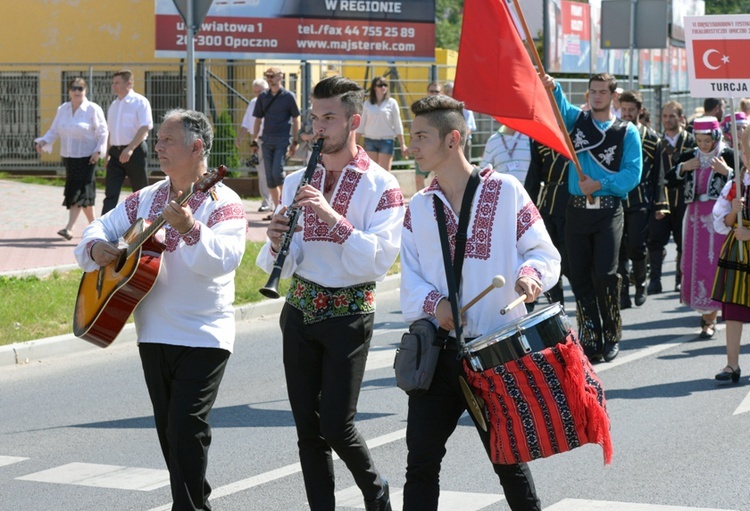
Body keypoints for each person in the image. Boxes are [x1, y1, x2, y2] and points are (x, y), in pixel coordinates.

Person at [74, 109, 247, 510]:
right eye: (160, 139)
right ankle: (195, 502)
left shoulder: (224, 201)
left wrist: (190, 228)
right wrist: (97, 248)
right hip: (152, 331)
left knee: (187, 427)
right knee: (169, 431)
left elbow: (224, 259)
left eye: (168, 140)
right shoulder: (148, 197)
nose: (159, 146)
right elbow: (99, 228)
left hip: (205, 333)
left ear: (197, 147)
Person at [401, 94, 560, 511]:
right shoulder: (417, 207)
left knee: (508, 461)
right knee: (420, 463)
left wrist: (530, 278)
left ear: (453, 139)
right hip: (438, 356)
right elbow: (410, 279)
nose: (410, 146)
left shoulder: (506, 191)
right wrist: (435, 305)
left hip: (497, 352)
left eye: (421, 136)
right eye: (410, 135)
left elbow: (544, 254)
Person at [256, 75, 403, 511]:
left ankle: (375, 492)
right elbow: (293, 252)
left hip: (349, 313)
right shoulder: (301, 175)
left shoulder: (383, 185)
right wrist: (278, 241)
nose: (317, 128)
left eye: (329, 118)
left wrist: (332, 216)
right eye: (315, 118)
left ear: (354, 120)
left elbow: (377, 260)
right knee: (307, 429)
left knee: (337, 426)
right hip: (300, 307)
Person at [541, 72, 642, 362]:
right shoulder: (578, 121)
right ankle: (590, 336)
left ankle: (611, 334)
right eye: (593, 91)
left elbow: (631, 174)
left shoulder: (626, 131)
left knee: (605, 275)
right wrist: (553, 86)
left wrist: (600, 184)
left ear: (613, 96)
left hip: (609, 210)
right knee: (581, 276)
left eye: (602, 92)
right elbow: (558, 108)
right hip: (576, 210)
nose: (597, 96)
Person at [665, 116, 734, 339]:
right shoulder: (689, 156)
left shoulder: (728, 155)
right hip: (694, 217)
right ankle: (705, 316)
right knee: (696, 263)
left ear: (716, 137)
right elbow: (668, 180)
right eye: (700, 140)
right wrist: (683, 168)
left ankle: (712, 317)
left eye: (707, 141)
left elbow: (744, 181)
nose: (703, 145)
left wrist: (728, 173)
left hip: (719, 217)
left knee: (715, 263)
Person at [34, 77, 107, 240]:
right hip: (70, 157)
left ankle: (69, 228)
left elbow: (103, 132)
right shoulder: (63, 109)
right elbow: (54, 130)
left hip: (88, 157)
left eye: (80, 88)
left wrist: (98, 151)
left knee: (80, 191)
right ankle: (95, 228)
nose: (76, 92)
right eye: (73, 88)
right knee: (80, 193)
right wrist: (43, 141)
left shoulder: (92, 109)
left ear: (85, 91)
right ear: (68, 91)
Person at [711, 126, 750, 383]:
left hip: (745, 240)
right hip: (737, 249)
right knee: (734, 309)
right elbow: (719, 221)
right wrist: (735, 212)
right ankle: (732, 364)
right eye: (746, 151)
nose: (748, 156)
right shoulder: (736, 183)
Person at [617, 90, 661, 308]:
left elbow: (658, 176)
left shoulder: (652, 138)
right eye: (623, 109)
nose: (626, 114)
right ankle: (623, 291)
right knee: (618, 249)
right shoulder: (612, 133)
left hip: (640, 199)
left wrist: (660, 205)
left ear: (639, 111)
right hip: (616, 199)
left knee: (636, 245)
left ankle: (641, 283)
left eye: (631, 110)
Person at [647, 101, 696, 295]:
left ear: (681, 118)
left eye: (672, 116)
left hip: (685, 199)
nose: (667, 120)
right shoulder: (657, 142)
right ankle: (655, 280)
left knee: (683, 242)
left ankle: (680, 278)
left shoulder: (691, 141)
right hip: (661, 199)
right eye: (665, 116)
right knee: (655, 240)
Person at [524, 140, 570, 307]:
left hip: (573, 207)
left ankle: (585, 314)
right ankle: (557, 310)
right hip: (547, 207)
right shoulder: (539, 140)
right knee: (549, 260)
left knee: (571, 265)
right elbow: (534, 176)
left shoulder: (578, 133)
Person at [102, 69, 154, 215]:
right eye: (113, 83)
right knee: (110, 193)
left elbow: (145, 127)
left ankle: (145, 226)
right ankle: (105, 230)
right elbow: (110, 132)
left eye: (117, 83)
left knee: (140, 192)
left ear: (129, 83)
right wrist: (107, 154)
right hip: (115, 153)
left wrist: (130, 149)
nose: (114, 86)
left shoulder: (140, 102)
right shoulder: (114, 105)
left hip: (134, 151)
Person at [252, 67, 301, 217]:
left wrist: (295, 140)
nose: (269, 79)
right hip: (266, 140)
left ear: (280, 77)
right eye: (267, 76)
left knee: (277, 173)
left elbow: (296, 118)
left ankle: (287, 206)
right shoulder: (263, 97)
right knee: (270, 177)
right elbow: (258, 119)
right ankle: (277, 210)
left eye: (272, 76)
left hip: (282, 140)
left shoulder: (288, 96)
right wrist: (254, 140)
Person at [357, 76, 408, 171]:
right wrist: (355, 143)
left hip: (387, 141)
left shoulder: (392, 103)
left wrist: (402, 144)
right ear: (374, 87)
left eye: (385, 85)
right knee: (370, 170)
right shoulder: (367, 104)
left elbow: (398, 124)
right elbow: (360, 125)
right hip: (370, 141)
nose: (383, 87)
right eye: (380, 85)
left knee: (385, 171)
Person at [236, 78, 273, 212]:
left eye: (260, 91)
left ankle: (273, 202)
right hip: (256, 142)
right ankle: (267, 202)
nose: (257, 94)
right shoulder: (253, 103)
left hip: (269, 140)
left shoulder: (271, 102)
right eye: (255, 92)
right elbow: (246, 122)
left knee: (271, 172)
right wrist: (240, 137)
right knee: (262, 172)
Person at [414, 82, 444, 191]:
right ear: (427, 93)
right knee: (419, 178)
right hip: (423, 147)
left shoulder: (444, 112)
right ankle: (420, 205)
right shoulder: (421, 109)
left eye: (437, 91)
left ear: (441, 93)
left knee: (440, 179)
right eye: (432, 91)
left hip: (439, 148)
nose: (434, 94)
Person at [442, 81, 477, 161]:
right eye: (445, 91)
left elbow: (469, 128)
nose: (447, 94)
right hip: (446, 143)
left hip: (462, 142)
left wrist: (458, 139)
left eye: (450, 91)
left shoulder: (465, 108)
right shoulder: (442, 109)